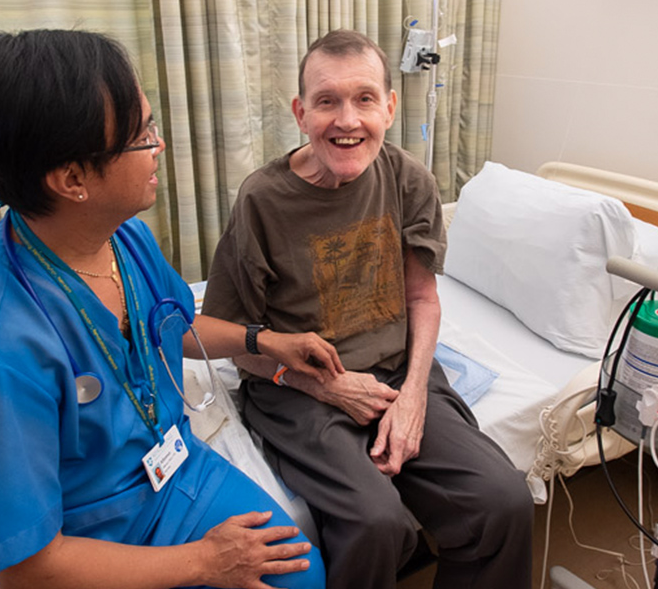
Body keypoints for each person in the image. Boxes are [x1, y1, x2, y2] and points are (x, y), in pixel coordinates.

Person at [0, 29, 338, 589]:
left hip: (163, 472)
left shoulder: (121, 239)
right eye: (142, 136)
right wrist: (207, 562)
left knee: (299, 574)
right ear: (72, 179)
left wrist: (264, 340)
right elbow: (25, 568)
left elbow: (170, 325)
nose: (159, 145)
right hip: (69, 540)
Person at [202, 29, 534, 588]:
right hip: (295, 386)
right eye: (327, 101)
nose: (347, 120)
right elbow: (226, 337)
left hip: (399, 374)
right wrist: (321, 386)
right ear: (301, 113)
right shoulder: (262, 199)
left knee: (503, 502)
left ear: (389, 106)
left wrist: (413, 400)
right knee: (376, 524)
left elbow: (423, 298)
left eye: (364, 99)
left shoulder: (408, 179)